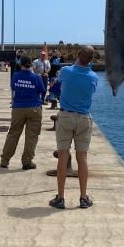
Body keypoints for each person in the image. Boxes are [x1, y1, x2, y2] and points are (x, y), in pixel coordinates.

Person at [49, 46, 98, 210]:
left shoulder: (66, 71)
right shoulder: (93, 77)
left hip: (66, 116)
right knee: (82, 157)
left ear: (78, 55)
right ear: (91, 60)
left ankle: (61, 198)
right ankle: (83, 197)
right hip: (84, 117)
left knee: (63, 155)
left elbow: (58, 82)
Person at [0, 55, 45, 170]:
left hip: (18, 107)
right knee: (32, 136)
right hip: (34, 107)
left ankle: (5, 160)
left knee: (13, 134)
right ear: (31, 65)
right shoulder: (36, 77)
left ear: (20, 64)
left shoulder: (15, 76)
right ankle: (27, 161)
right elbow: (42, 90)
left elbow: (13, 88)